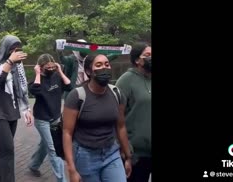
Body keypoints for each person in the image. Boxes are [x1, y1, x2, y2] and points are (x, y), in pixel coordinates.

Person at [63, 54, 132, 182]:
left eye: (106, 64)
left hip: (111, 153)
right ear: (89, 71)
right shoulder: (77, 96)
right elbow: (67, 132)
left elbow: (121, 126)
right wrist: (71, 169)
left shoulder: (116, 93)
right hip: (85, 156)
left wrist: (128, 157)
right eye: (98, 65)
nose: (104, 68)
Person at [0, 35, 33, 182]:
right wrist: (10, 62)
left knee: (3, 149)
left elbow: (21, 87)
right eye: (11, 49)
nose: (14, 52)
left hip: (11, 109)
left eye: (16, 49)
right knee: (8, 149)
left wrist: (26, 109)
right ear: (5, 47)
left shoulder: (18, 63)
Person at [27, 54, 71, 181]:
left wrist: (60, 72)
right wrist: (37, 74)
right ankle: (62, 180)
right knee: (53, 149)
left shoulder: (57, 76)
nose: (51, 69)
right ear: (41, 67)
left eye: (53, 66)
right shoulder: (37, 79)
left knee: (44, 145)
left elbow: (69, 86)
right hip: (42, 119)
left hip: (55, 117)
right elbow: (34, 91)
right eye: (48, 67)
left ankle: (33, 165)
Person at [115, 42, 151, 182]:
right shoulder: (126, 80)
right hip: (136, 155)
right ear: (137, 60)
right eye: (147, 55)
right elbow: (117, 120)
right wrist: (126, 153)